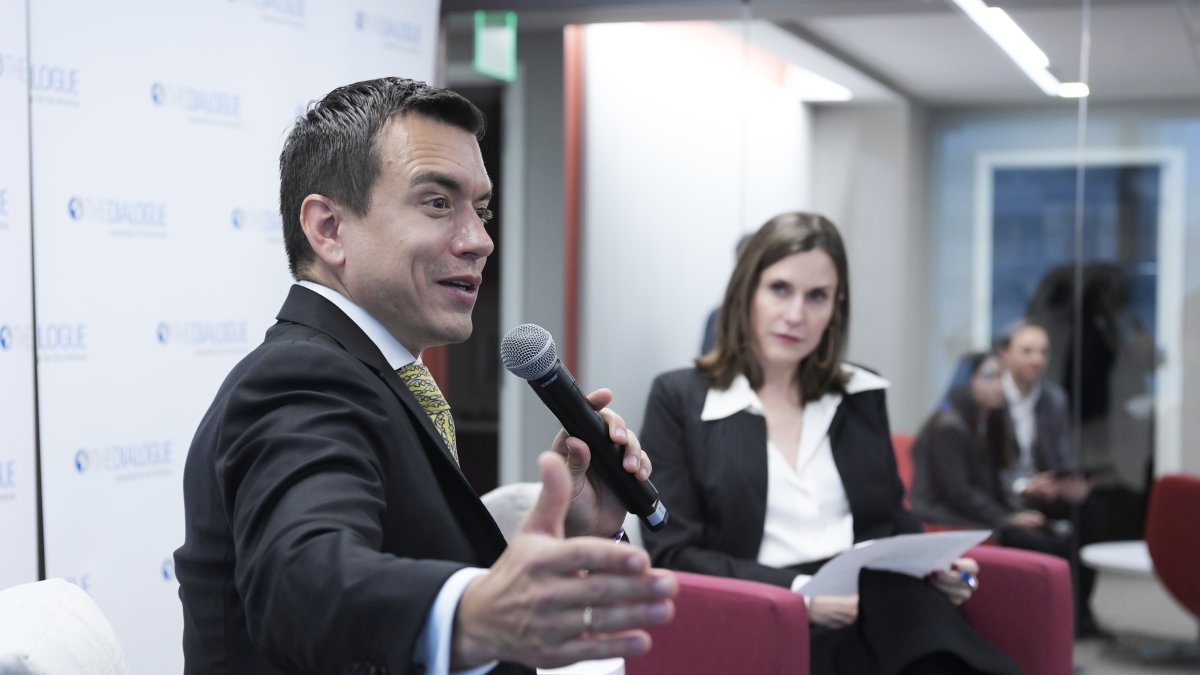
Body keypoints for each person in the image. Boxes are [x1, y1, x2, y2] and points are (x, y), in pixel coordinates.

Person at [173, 77, 677, 675]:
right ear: (329, 229)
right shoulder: (301, 376)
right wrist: (475, 612)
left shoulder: (377, 375)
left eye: (482, 210)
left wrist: (576, 535)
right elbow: (301, 582)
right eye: (438, 203)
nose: (480, 241)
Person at [640, 212, 1016, 675]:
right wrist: (802, 592)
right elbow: (673, 551)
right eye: (780, 289)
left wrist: (936, 568)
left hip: (880, 598)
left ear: (836, 307)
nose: (796, 315)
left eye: (817, 296)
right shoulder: (679, 397)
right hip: (764, 605)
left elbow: (891, 520)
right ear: (746, 292)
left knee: (935, 650)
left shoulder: (860, 392)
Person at [997, 319, 1105, 635]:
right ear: (1006, 355)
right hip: (1007, 493)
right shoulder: (991, 396)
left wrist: (1069, 484)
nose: (1036, 360)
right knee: (1047, 539)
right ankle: (1057, 617)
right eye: (1027, 351)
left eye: (1042, 352)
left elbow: (1062, 455)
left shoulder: (1053, 399)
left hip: (1043, 488)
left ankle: (1080, 610)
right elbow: (983, 466)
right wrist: (1023, 485)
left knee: (1091, 511)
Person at [909, 351, 1071, 558]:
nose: (998, 385)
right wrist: (1006, 519)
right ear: (967, 382)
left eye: (1001, 376)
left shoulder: (987, 423)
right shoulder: (948, 426)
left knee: (1061, 531)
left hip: (979, 511)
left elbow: (996, 482)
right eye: (989, 377)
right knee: (1046, 545)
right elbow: (959, 492)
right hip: (948, 513)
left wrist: (1014, 512)